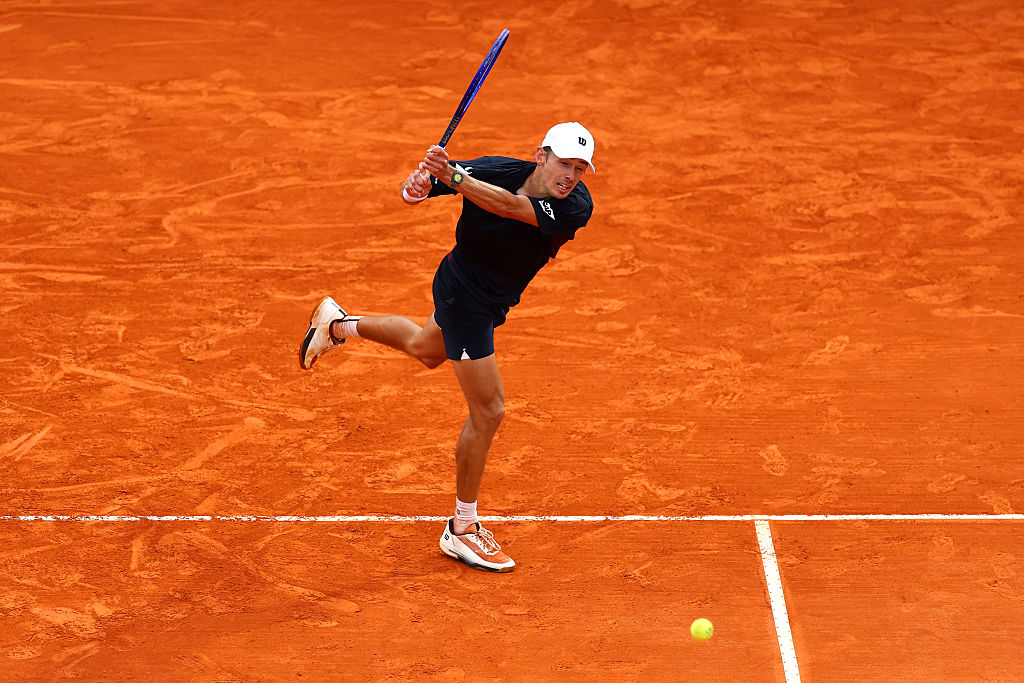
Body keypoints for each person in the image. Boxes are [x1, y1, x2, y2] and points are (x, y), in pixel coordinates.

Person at [299, 122, 597, 572]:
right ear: (541, 155)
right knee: (490, 411)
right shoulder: (493, 169)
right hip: (465, 299)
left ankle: (338, 326)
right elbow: (419, 189)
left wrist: (453, 178)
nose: (570, 175)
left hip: (489, 300)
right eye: (563, 163)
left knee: (425, 347)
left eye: (580, 168)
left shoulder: (574, 206)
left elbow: (511, 206)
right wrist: (418, 185)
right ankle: (462, 528)